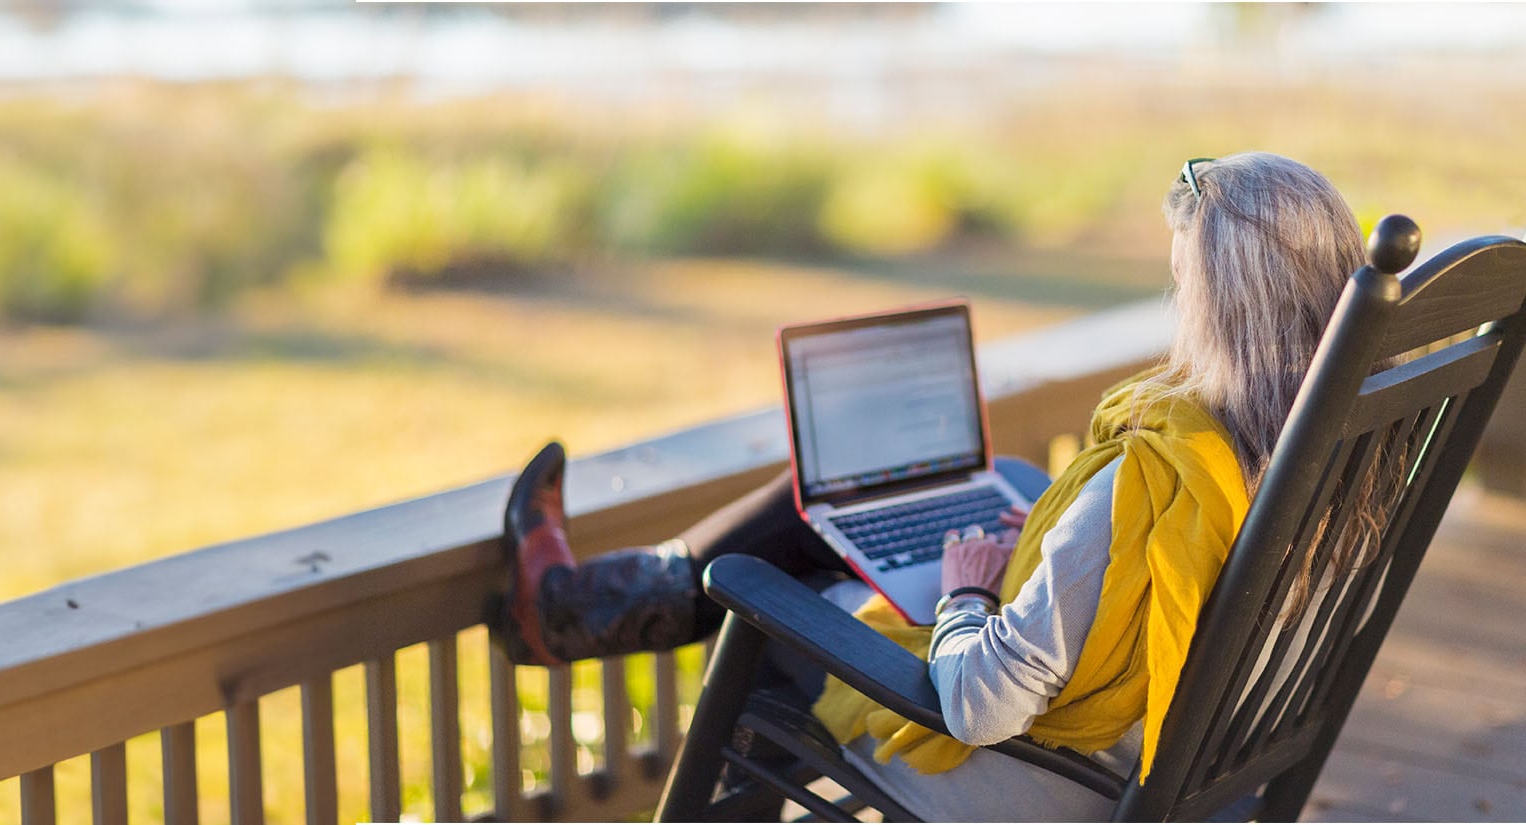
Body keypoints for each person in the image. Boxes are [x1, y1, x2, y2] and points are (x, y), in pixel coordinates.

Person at [495, 152, 1367, 821]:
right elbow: (1139, 587)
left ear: (1215, 309)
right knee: (821, 526)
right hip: (1192, 778)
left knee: (774, 602)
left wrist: (967, 594)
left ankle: (583, 608)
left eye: (1181, 287)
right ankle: (582, 606)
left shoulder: (1149, 485)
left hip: (1060, 788)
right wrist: (1052, 551)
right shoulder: (1333, 463)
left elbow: (980, 704)